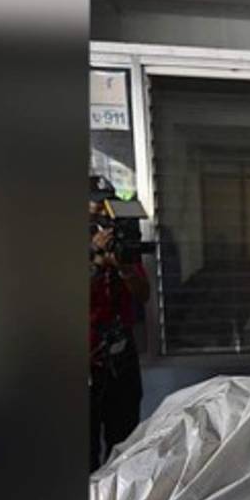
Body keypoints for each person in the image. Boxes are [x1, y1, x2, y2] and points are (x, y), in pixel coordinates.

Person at [89, 176, 150, 472]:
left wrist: (124, 268)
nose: (102, 210)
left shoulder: (122, 242)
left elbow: (144, 294)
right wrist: (94, 259)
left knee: (123, 444)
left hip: (121, 359)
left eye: (107, 202)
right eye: (95, 202)